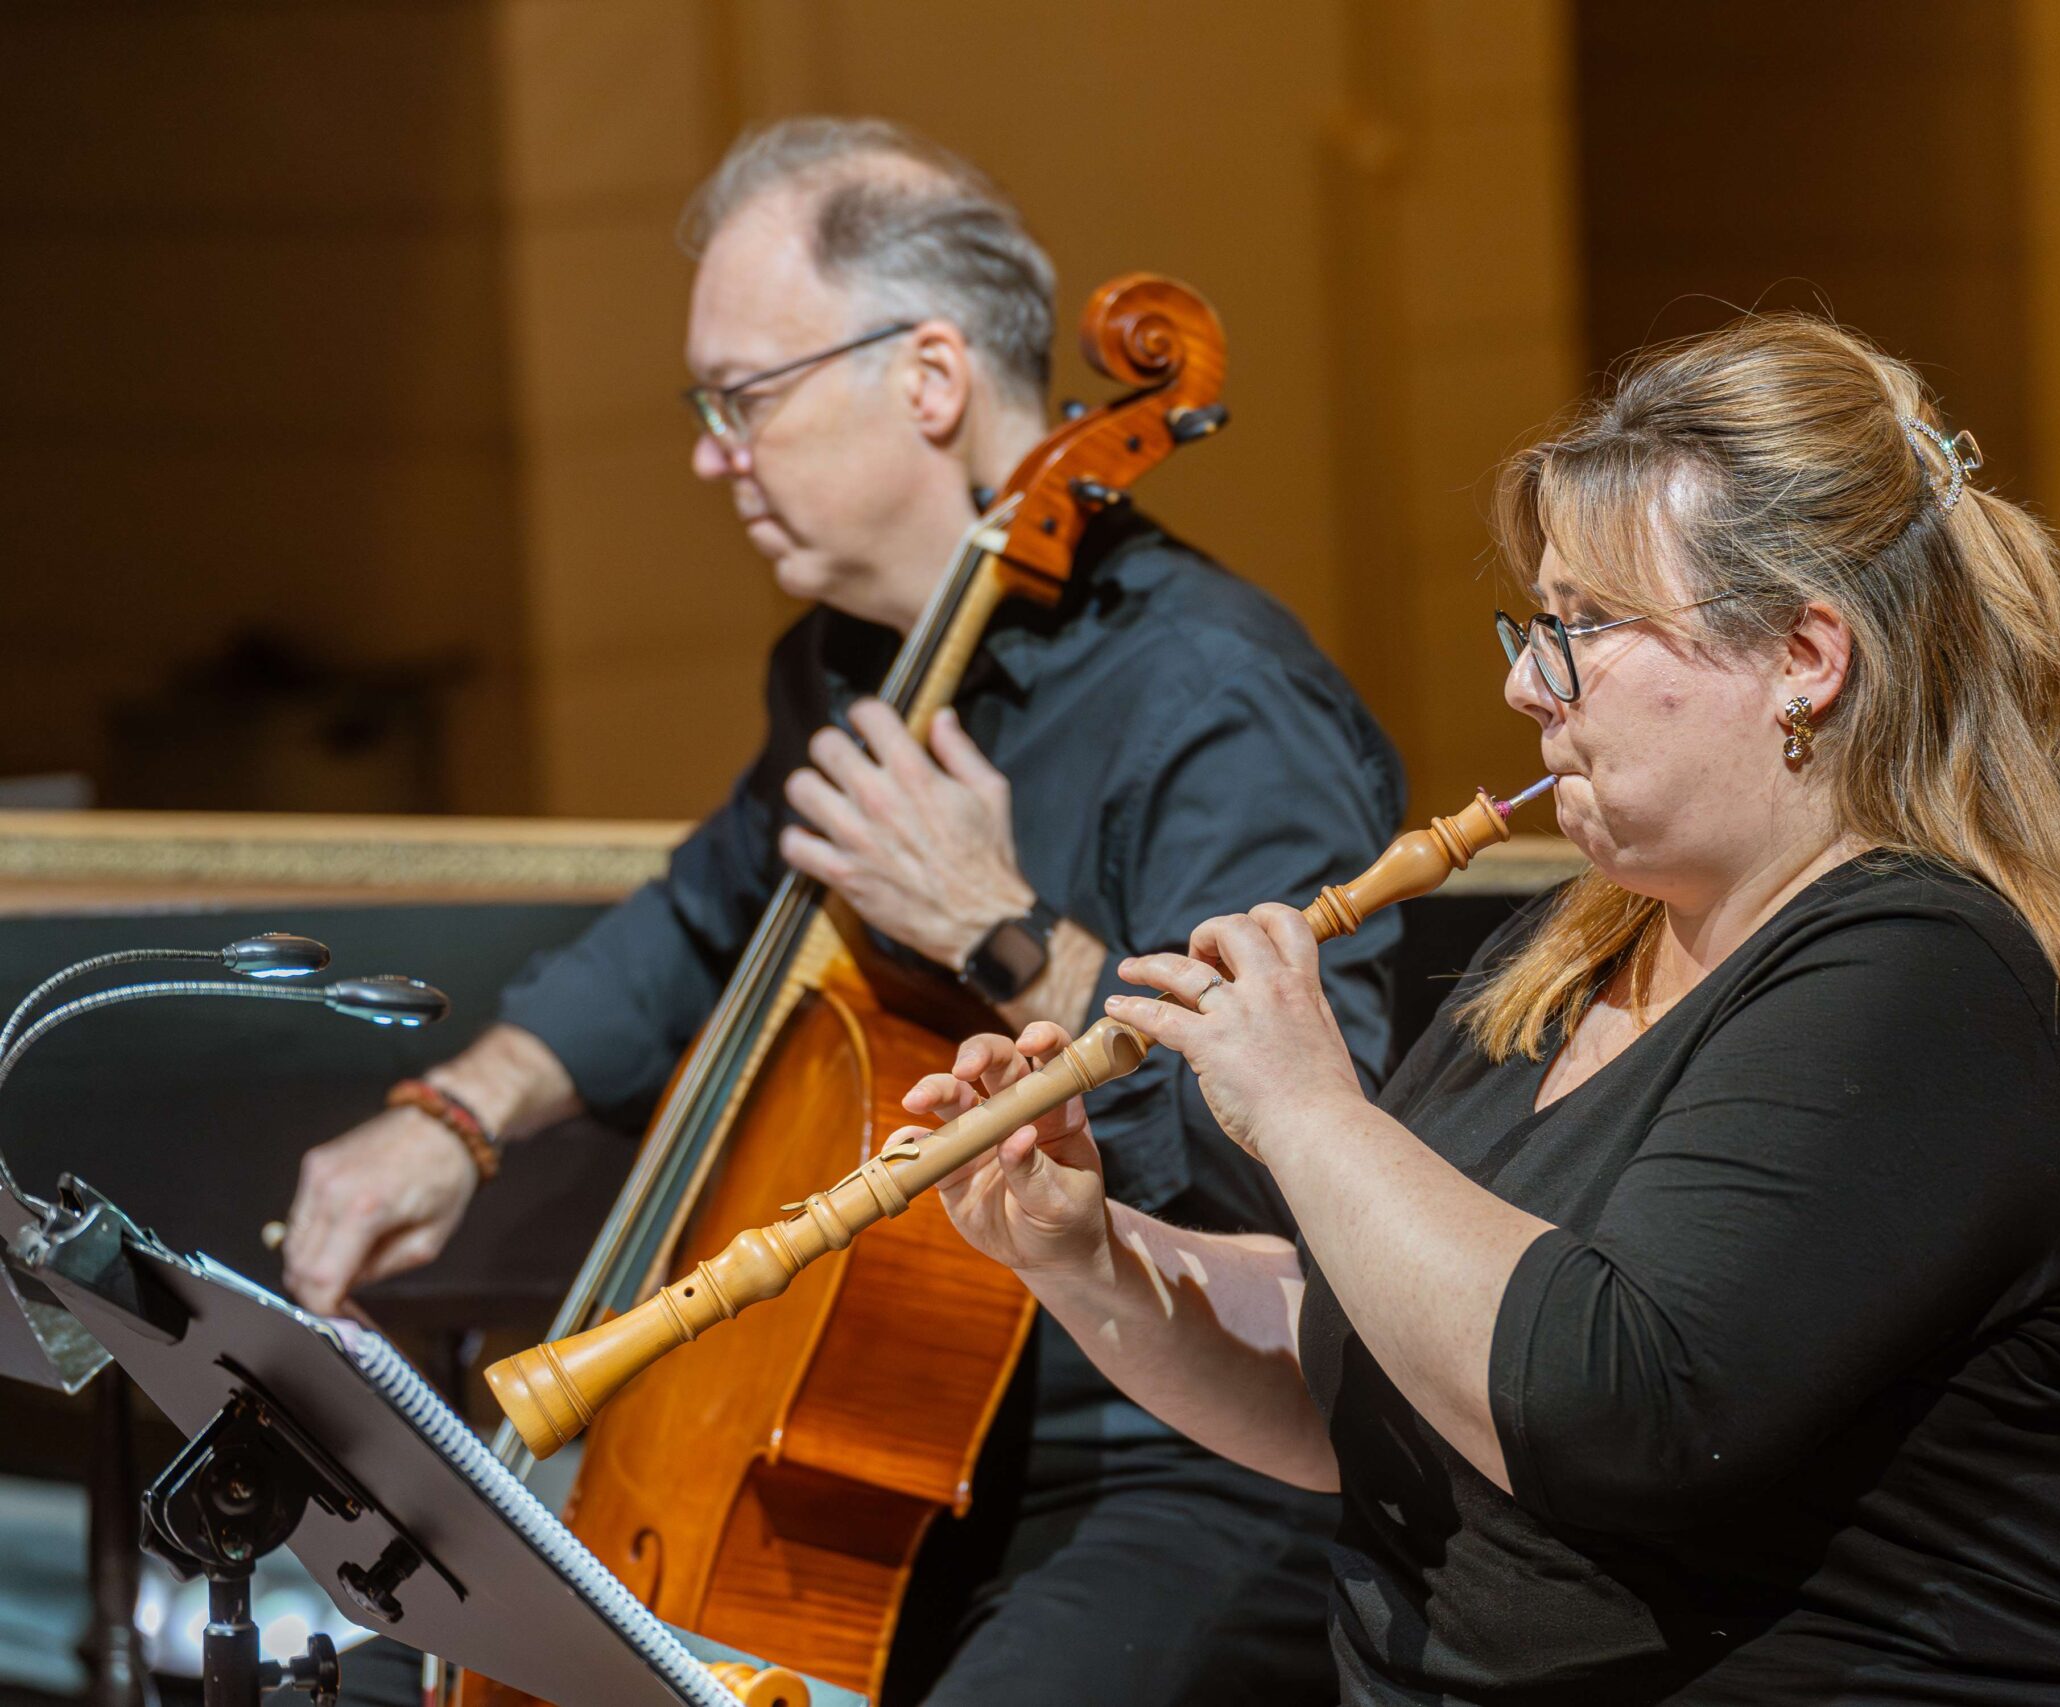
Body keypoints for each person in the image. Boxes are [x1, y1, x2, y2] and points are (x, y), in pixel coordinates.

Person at [904, 315, 2060, 1705]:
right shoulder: (1570, 953)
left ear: (1807, 655)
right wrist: (1086, 1255)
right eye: (1536, 625)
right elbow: (1383, 1347)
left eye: (1581, 631)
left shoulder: (1931, 978)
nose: (1522, 685)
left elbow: (1601, 1405)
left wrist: (1310, 1112)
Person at [277, 117, 1401, 1707]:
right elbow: (697, 921)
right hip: (864, 1442)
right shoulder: (845, 662)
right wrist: (455, 1115)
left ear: (931, 381)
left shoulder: (1219, 700)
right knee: (397, 1676)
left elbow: (1289, 1154)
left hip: (1166, 1449)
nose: (707, 453)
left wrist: (999, 933)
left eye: (743, 399)